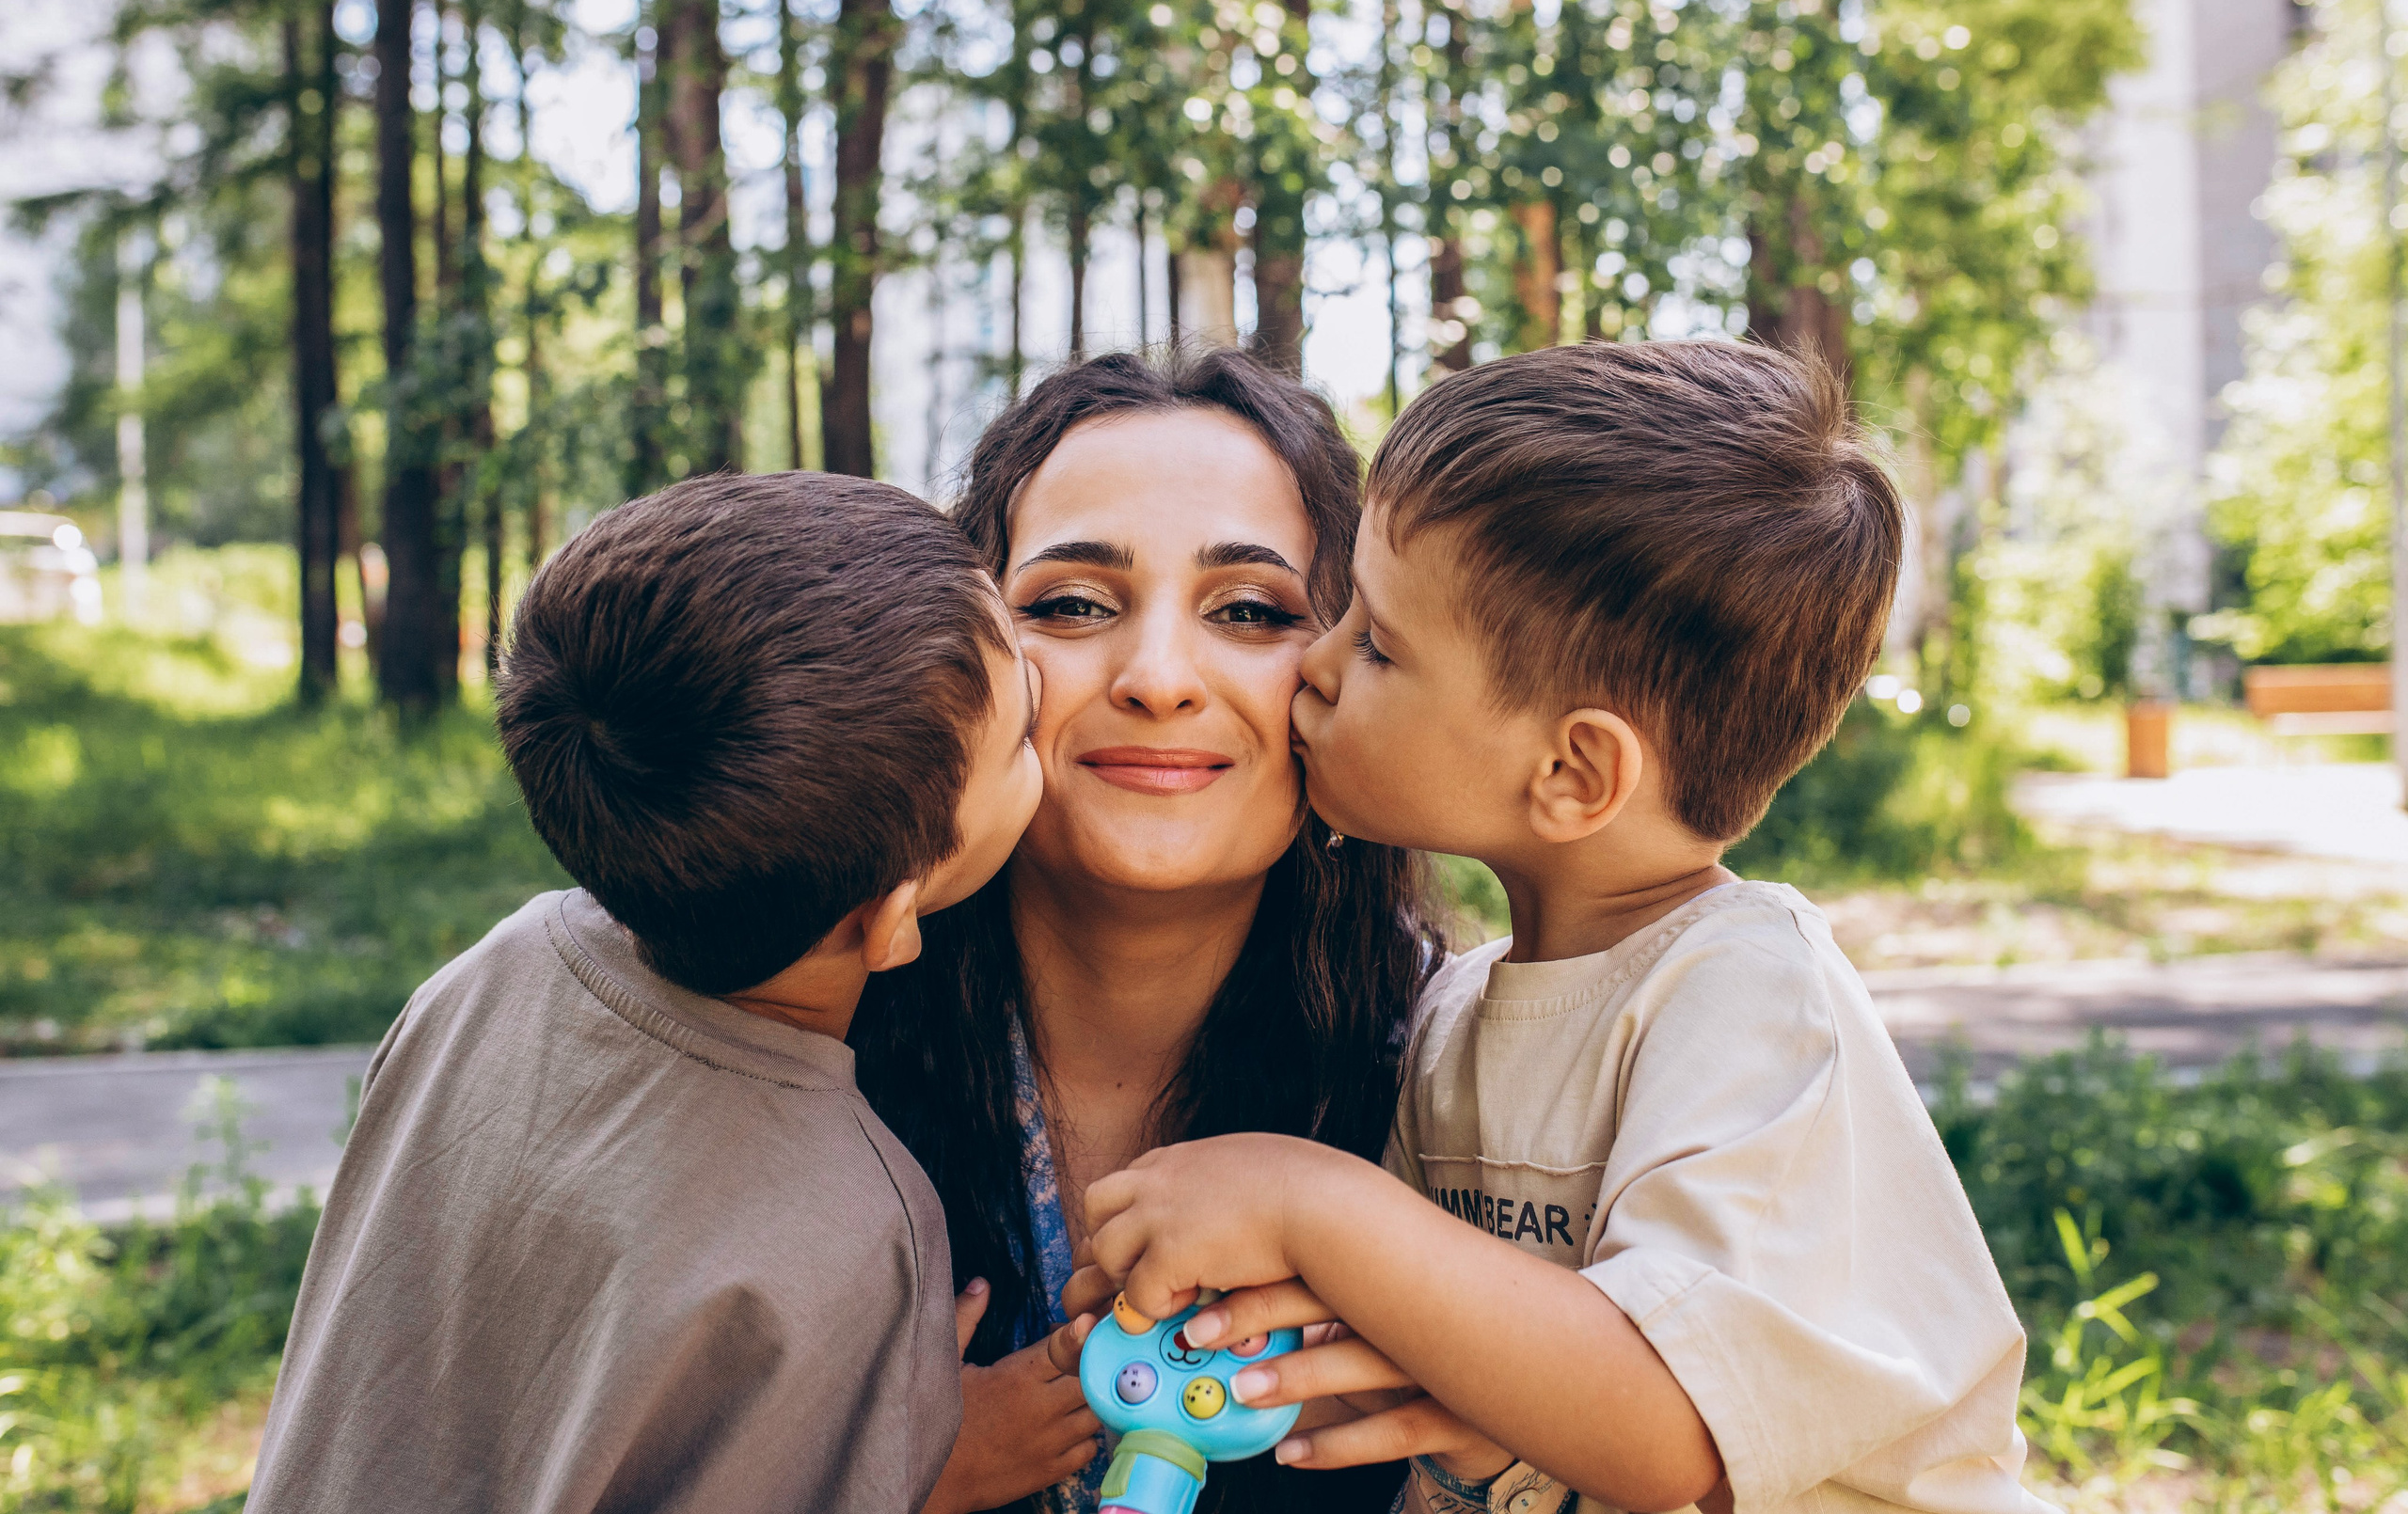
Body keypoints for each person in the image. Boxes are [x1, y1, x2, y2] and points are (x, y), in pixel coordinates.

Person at [1072, 340, 2051, 1514]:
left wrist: (1304, 1201)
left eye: (1377, 642)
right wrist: (1233, 1332)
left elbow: (1665, 1425)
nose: (1314, 668)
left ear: (1574, 769)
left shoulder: (1744, 995)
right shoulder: (1456, 1017)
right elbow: (1446, 1346)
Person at [247, 473, 1043, 1514]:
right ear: (891, 917)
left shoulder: (496, 970)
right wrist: (916, 1461)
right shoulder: (853, 1216)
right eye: (1021, 733)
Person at [850, 347, 1445, 1514]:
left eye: (1249, 610)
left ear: (1349, 668)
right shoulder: (774, 1038)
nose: (1160, 676)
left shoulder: (1475, 1090)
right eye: (1071, 604)